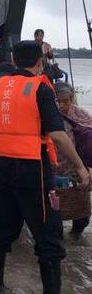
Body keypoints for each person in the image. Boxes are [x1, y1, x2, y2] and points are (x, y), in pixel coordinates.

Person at [0, 41, 90, 293]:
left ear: (14, 60)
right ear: (40, 62)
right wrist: (81, 168)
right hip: (32, 170)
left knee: (0, 230)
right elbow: (58, 135)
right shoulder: (40, 87)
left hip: (1, 167)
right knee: (48, 235)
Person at [53, 82, 91, 234]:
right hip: (53, 168)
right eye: (58, 101)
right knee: (55, 212)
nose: (62, 105)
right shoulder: (47, 115)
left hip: (76, 170)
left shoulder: (81, 114)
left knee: (81, 216)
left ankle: (76, 241)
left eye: (66, 101)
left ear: (71, 99)